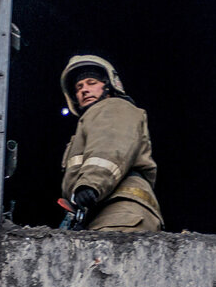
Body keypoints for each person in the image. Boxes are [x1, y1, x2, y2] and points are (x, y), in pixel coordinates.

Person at [58, 54, 164, 232]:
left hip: (120, 216)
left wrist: (90, 184)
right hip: (107, 215)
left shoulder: (114, 107)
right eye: (79, 87)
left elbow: (111, 148)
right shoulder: (89, 122)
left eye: (91, 83)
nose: (84, 90)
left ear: (109, 85)